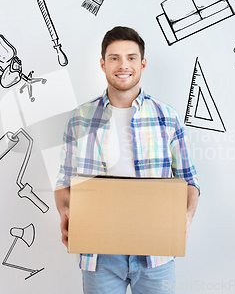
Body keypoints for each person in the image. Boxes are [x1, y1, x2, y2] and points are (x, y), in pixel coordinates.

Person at [54, 26, 200, 294]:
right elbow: (64, 182)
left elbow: (189, 179)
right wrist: (66, 211)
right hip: (99, 255)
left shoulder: (167, 116)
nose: (123, 65)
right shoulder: (79, 119)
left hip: (156, 253)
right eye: (114, 58)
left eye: (131, 58)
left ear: (142, 64)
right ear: (103, 64)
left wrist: (186, 217)